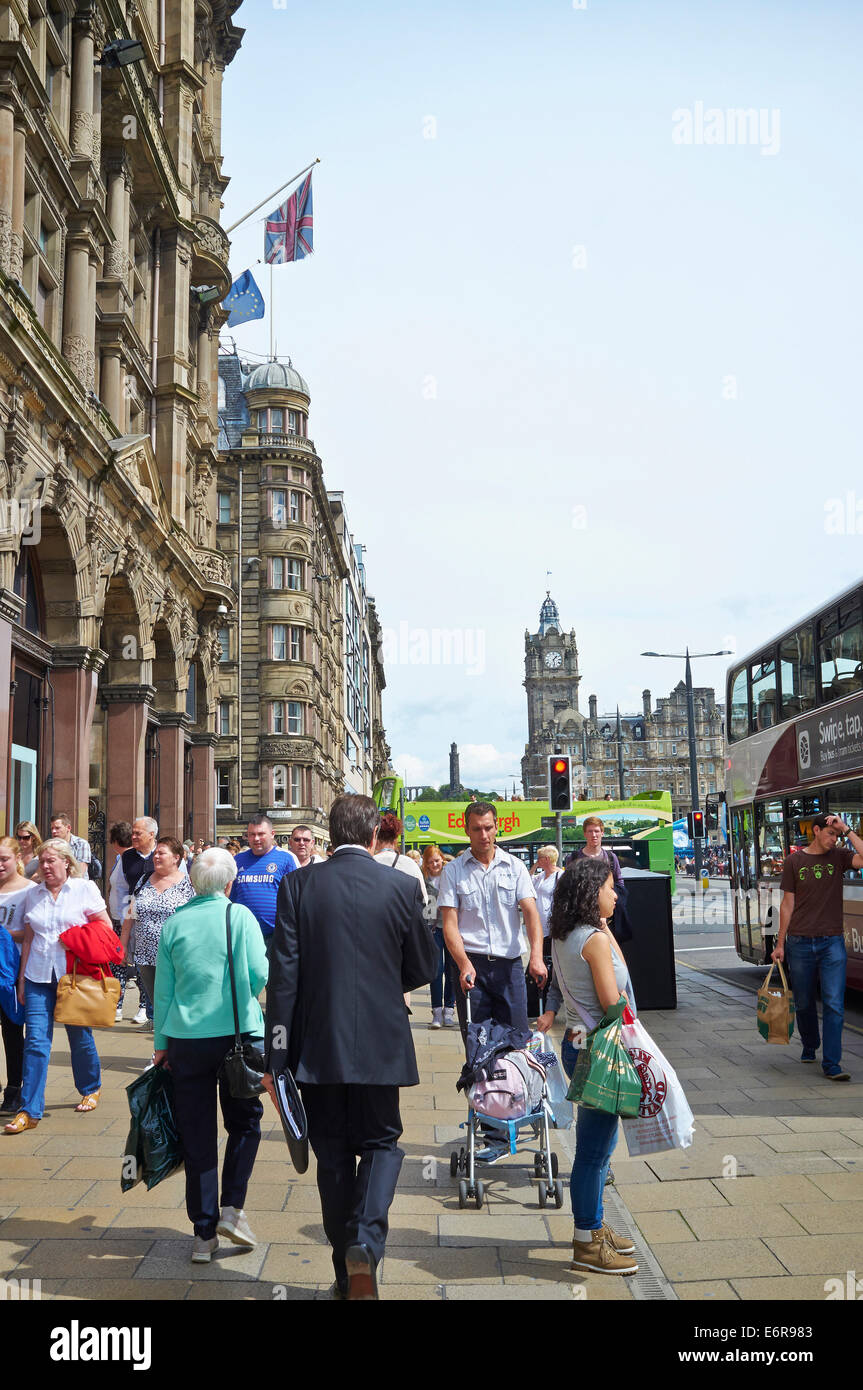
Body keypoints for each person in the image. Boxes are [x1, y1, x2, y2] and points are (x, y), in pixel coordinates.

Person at [264, 794, 437, 1300]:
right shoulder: (402, 886)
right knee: (383, 1144)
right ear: (372, 837)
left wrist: (277, 1055)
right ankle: (365, 1241)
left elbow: (283, 978)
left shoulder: (297, 884)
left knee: (334, 1157)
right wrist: (387, 984)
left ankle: (346, 1274)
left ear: (330, 837)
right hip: (382, 1044)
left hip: (317, 1049)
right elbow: (424, 968)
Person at [152, 848, 267, 1263]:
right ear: (229, 883)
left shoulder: (175, 923)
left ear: (192, 882)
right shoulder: (240, 917)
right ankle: (232, 1208)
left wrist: (161, 1043)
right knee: (245, 1123)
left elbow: (162, 990)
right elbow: (259, 973)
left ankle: (203, 1233)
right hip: (238, 1036)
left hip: (186, 1039)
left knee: (197, 1132)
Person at [439, 802, 547, 1160]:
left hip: (509, 968)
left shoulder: (515, 866)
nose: (483, 835)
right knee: (479, 1049)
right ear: (466, 830)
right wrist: (463, 963)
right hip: (471, 971)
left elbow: (531, 914)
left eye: (488, 828)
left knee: (518, 1043)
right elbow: (449, 924)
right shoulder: (454, 871)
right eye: (476, 829)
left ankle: (520, 1113)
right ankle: (490, 1133)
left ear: (496, 827)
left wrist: (535, 956)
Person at [548, 857, 638, 1275]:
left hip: (577, 1043)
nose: (615, 894)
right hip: (599, 1050)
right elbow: (612, 1002)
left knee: (599, 1149)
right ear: (590, 894)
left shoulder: (569, 934)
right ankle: (587, 1241)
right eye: (608, 888)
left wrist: (605, 930)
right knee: (593, 1154)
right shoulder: (594, 940)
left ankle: (596, 1228)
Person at [4, 840, 112, 1133]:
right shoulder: (33, 893)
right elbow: (27, 938)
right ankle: (29, 1110)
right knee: (36, 1042)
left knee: (80, 1037)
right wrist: (23, 980)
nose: (45, 867)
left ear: (67, 862)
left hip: (73, 977)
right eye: (42, 861)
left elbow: (106, 928)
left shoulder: (84, 889)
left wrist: (77, 937)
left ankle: (91, 1086)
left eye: (51, 861)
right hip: (38, 976)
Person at [772, 812, 863, 1080]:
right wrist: (780, 944)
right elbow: (787, 904)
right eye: (830, 833)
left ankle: (832, 1064)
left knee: (834, 1003)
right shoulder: (794, 861)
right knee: (803, 1000)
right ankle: (810, 1043)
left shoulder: (840, 857)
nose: (833, 839)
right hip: (799, 942)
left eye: (836, 835)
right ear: (815, 831)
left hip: (832, 941)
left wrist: (846, 829)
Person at [120, 837, 195, 1035]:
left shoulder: (189, 884)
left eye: (162, 853)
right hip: (146, 957)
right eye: (155, 853)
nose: (156, 856)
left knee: (176, 1005)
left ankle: (178, 1050)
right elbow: (130, 914)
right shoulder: (144, 880)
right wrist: (123, 945)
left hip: (177, 957)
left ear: (176, 857)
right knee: (159, 1008)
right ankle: (161, 1054)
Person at [231, 816, 298, 957]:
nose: (256, 839)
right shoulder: (238, 860)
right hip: (245, 935)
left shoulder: (286, 859)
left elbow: (295, 896)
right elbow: (232, 896)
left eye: (261, 834)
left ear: (272, 834)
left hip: (275, 936)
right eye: (252, 834)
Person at [0, 838, 30, 1114]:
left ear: (17, 858)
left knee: (12, 1031)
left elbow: (33, 932)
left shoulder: (28, 890)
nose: (0, 865)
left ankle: (14, 1089)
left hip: (13, 971)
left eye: (4, 859)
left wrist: (5, 935)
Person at [565, 817, 630, 944]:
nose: (593, 835)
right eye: (590, 831)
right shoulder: (573, 858)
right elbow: (569, 887)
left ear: (602, 833)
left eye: (596, 831)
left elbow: (619, 882)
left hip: (608, 918)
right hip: (581, 918)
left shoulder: (611, 858)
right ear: (584, 834)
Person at [421, 845, 456, 1029]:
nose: (435, 864)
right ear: (426, 864)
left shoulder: (449, 877)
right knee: (436, 970)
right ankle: (436, 1011)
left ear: (442, 859)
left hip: (451, 928)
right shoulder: (423, 881)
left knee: (452, 970)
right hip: (432, 929)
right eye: (431, 862)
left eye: (437, 860)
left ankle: (449, 1010)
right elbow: (424, 909)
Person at [527, 847, 563, 1018]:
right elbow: (527, 881)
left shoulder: (559, 876)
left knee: (546, 966)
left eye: (540, 858)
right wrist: (535, 865)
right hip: (539, 927)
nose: (538, 860)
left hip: (552, 929)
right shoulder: (540, 877)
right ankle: (534, 1005)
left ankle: (545, 1005)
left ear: (547, 859)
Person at [373, 814, 429, 904]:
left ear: (375, 837)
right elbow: (425, 901)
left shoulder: (369, 862)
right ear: (396, 839)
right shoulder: (410, 864)